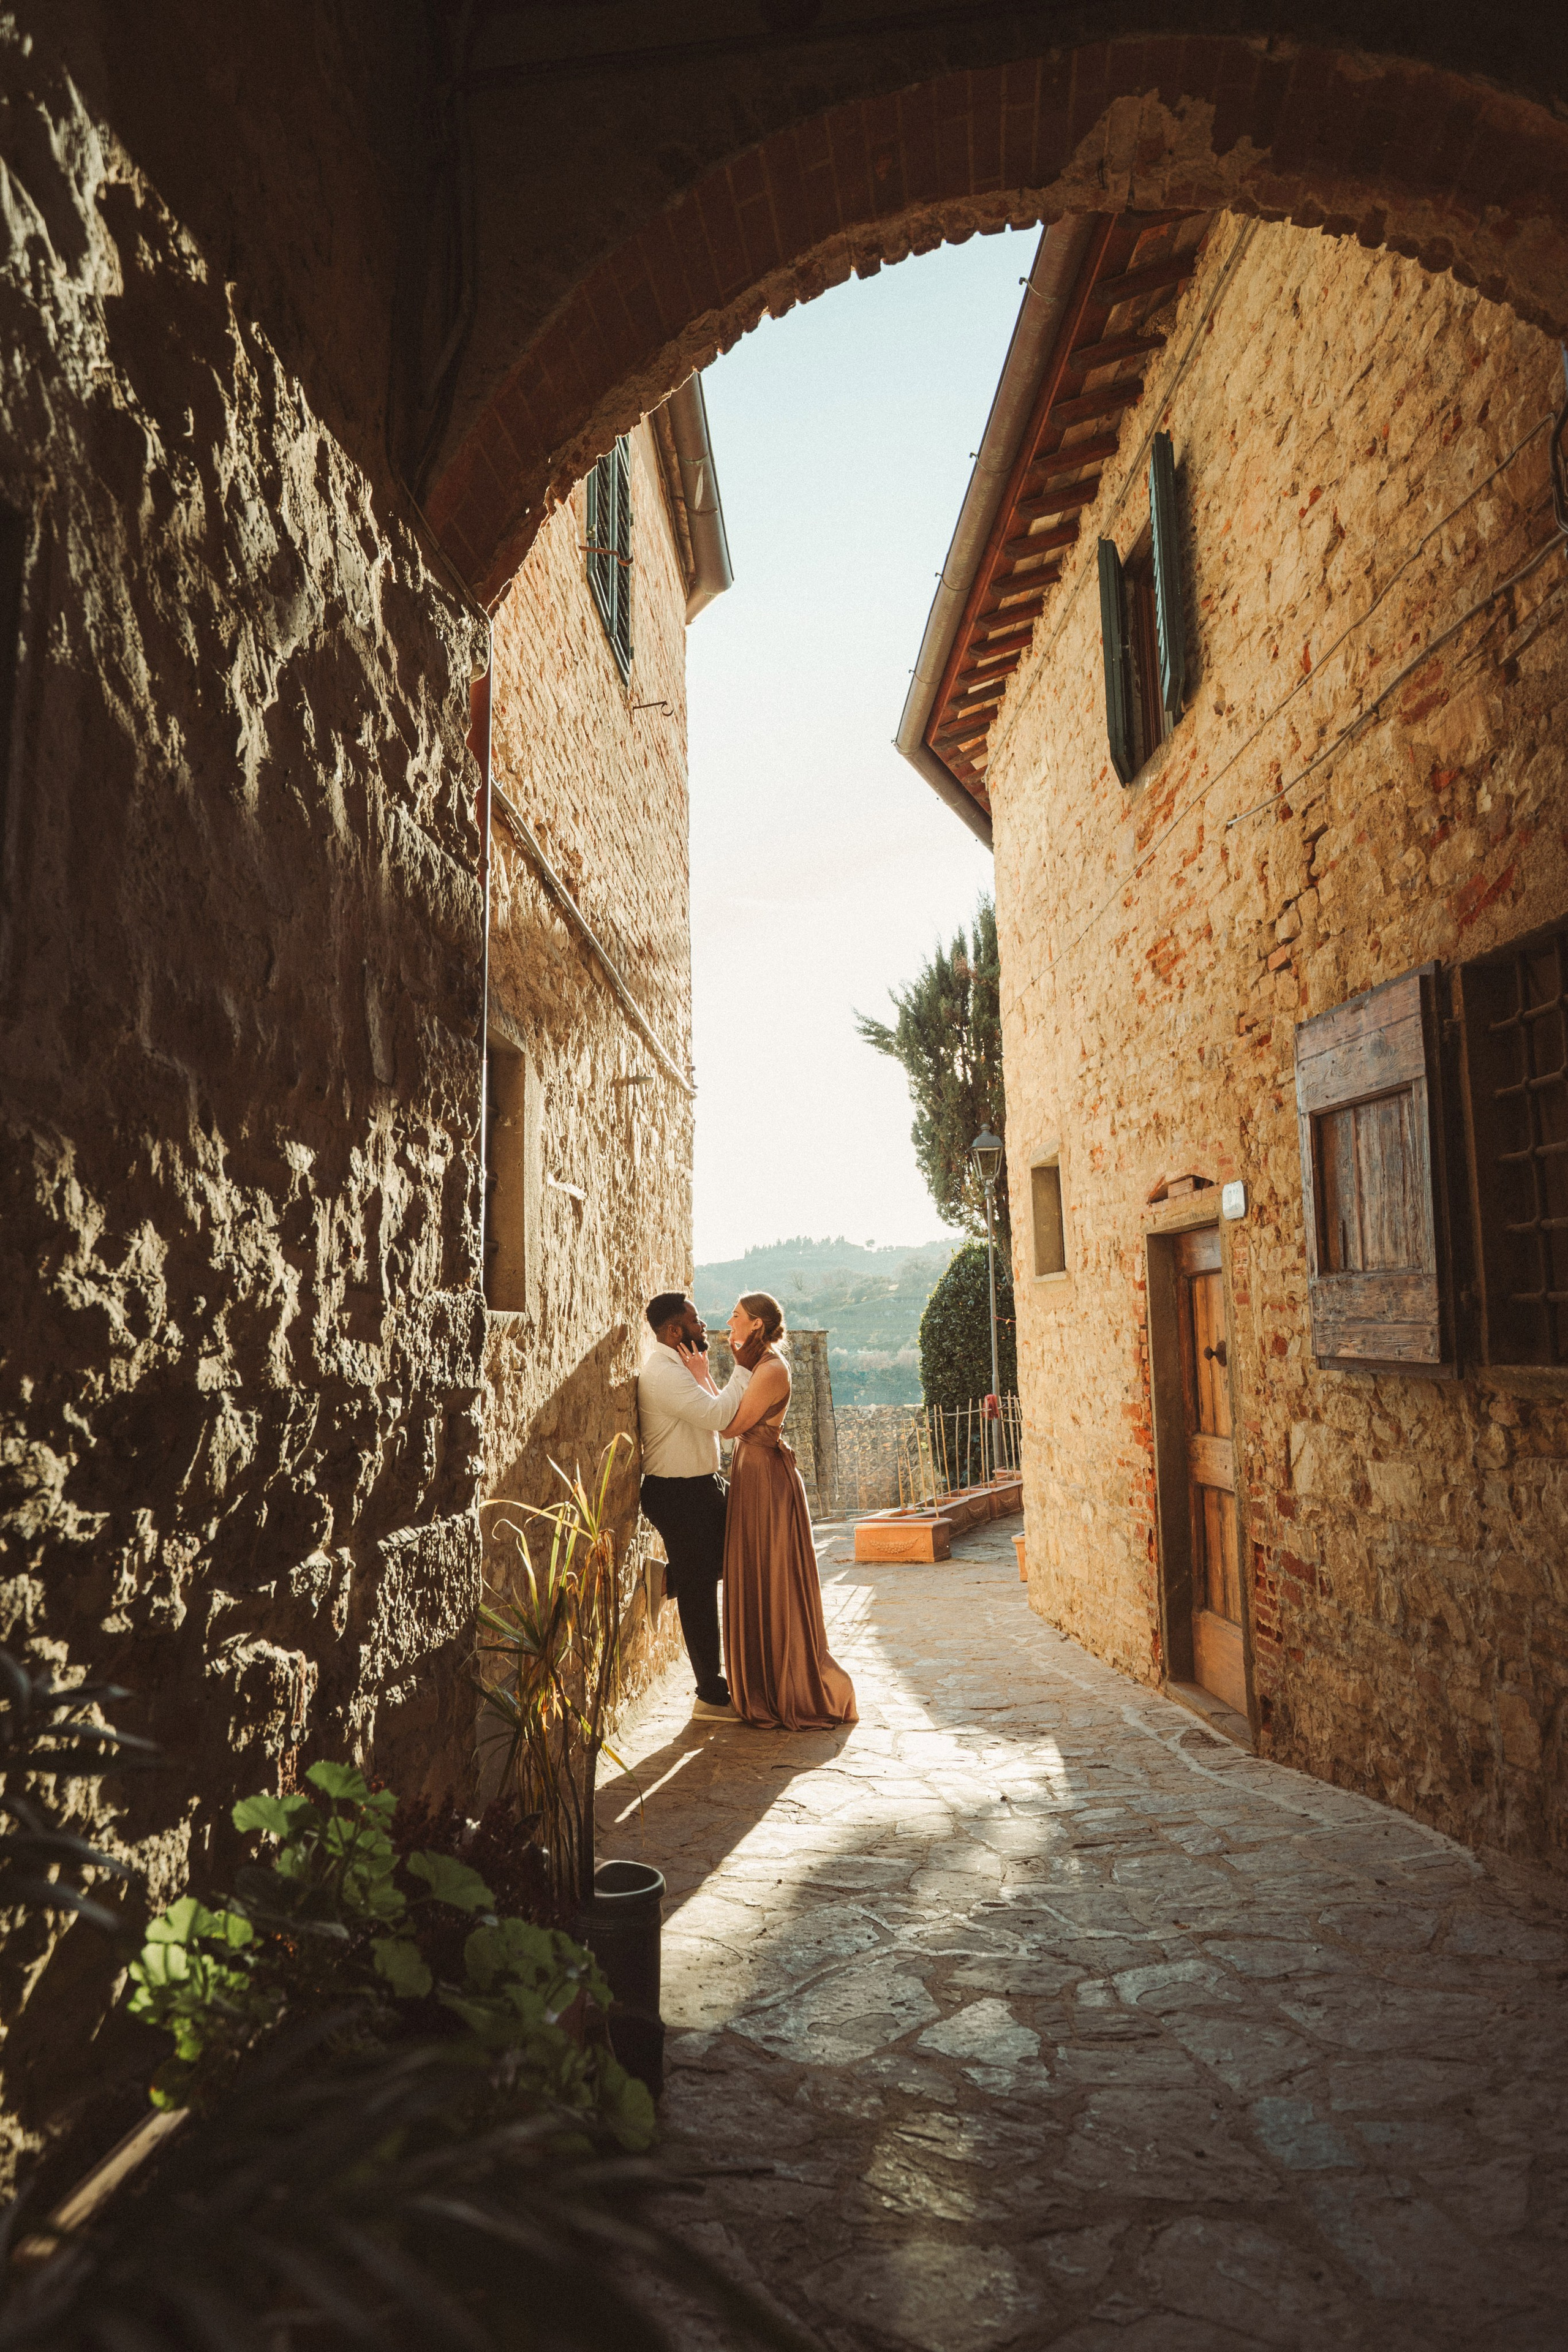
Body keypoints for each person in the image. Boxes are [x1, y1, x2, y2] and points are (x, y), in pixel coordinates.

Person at [690, 1291, 857, 1732]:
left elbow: (727, 1426)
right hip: (754, 1474)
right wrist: (711, 1377)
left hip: (766, 1479)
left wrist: (713, 1380)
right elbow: (728, 1415)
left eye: (737, 1316)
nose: (729, 1323)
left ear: (757, 1326)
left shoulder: (770, 1370)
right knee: (756, 1573)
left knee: (771, 1575)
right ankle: (762, 1680)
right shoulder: (757, 1367)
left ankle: (784, 1685)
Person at [636, 1291, 753, 1721]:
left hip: (702, 1487)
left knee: (735, 1557)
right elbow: (721, 1419)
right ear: (674, 1331)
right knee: (702, 1592)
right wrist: (742, 1369)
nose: (704, 1327)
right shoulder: (663, 1374)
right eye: (696, 1320)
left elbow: (716, 1419)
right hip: (678, 1494)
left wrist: (704, 1375)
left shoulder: (679, 1367)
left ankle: (668, 1576)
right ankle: (710, 1695)